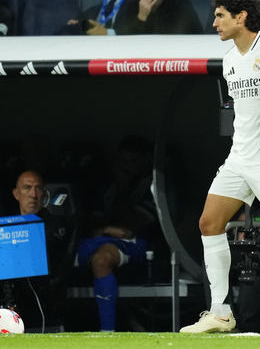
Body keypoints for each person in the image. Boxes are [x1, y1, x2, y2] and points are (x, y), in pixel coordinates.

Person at [179, 0, 260, 335]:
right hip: (238, 157)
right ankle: (220, 312)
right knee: (208, 223)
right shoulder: (229, 59)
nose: (214, 22)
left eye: (220, 15)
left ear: (241, 17)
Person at [75, 135, 158, 332]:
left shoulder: (151, 187)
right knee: (59, 254)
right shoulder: (107, 187)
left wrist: (122, 187)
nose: (127, 166)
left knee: (102, 259)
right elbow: (93, 225)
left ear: (145, 161)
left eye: (133, 161)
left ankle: (107, 334)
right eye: (123, 160)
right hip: (101, 238)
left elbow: (131, 226)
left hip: (136, 244)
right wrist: (106, 228)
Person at [7, 170, 73, 324]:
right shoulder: (6, 226)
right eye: (27, 188)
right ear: (16, 194)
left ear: (44, 194)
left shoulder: (56, 224)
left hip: (35, 295)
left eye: (38, 188)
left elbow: (41, 257)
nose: (33, 194)